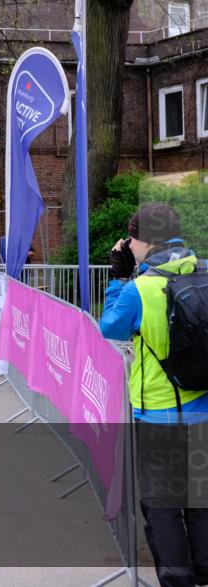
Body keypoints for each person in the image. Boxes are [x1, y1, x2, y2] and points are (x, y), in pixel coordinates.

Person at [99, 203, 208, 587]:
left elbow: (109, 328)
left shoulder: (139, 289)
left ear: (144, 240)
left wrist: (118, 277)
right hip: (203, 410)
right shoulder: (204, 270)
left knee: (162, 506)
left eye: (130, 237)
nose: (127, 244)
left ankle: (178, 581)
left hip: (159, 416)